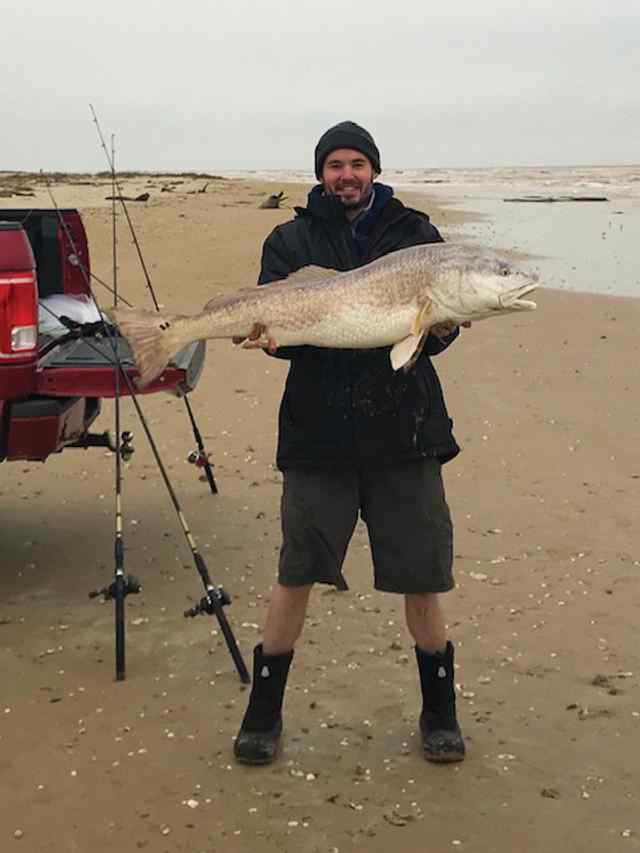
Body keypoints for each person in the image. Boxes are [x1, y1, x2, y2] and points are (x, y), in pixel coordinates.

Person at [234, 120, 466, 766]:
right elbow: (282, 335)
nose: (346, 174)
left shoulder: (416, 235)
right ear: (320, 173)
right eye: (334, 164)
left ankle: (440, 711)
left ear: (373, 169)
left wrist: (443, 326)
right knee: (296, 572)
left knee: (422, 574)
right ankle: (263, 710)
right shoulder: (290, 240)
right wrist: (269, 338)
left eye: (357, 163)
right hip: (319, 435)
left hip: (407, 431)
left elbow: (435, 335)